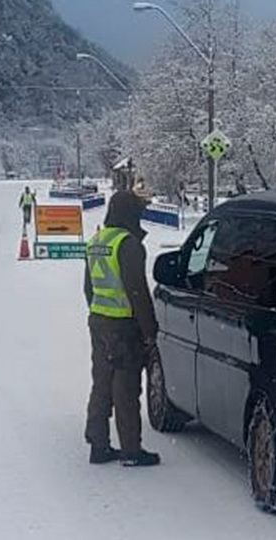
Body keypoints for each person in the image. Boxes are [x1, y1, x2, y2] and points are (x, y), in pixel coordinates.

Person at [83, 191, 161, 467]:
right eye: (138, 210)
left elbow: (88, 289)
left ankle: (98, 444)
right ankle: (131, 450)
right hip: (123, 326)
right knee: (126, 388)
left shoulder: (97, 241)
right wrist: (149, 330)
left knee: (102, 384)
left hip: (99, 322)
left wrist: (99, 314)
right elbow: (137, 292)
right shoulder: (128, 244)